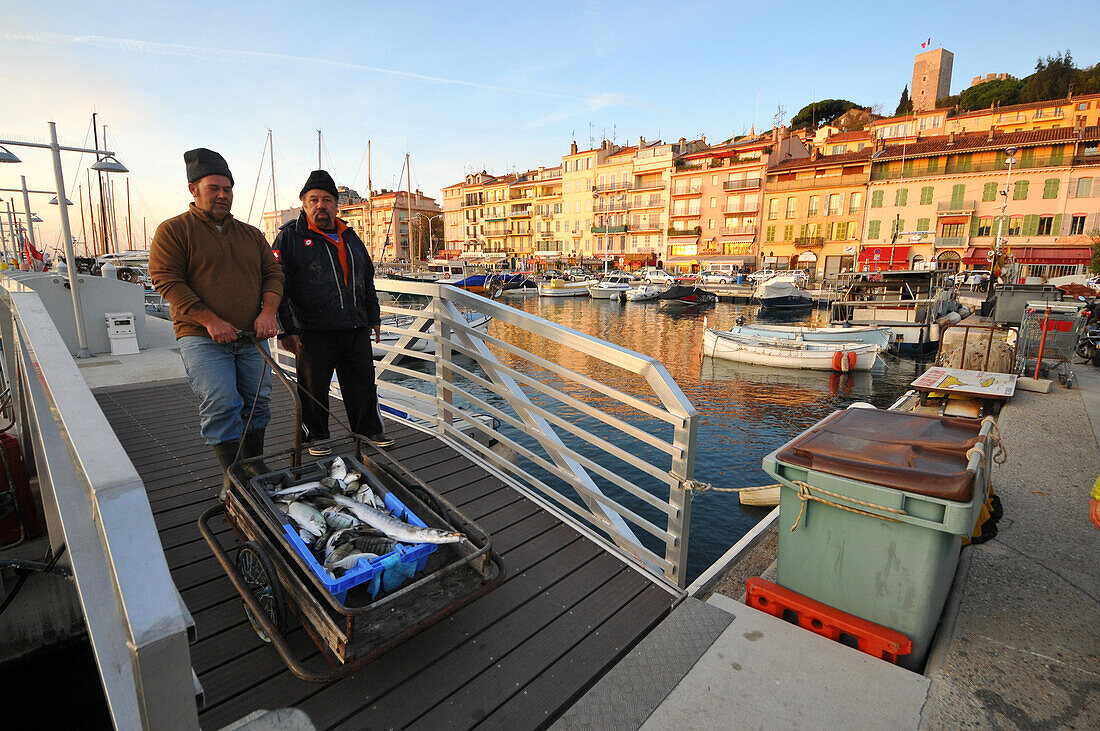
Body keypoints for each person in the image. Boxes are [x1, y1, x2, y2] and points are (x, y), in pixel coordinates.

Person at [149, 148, 284, 496]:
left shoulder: (251, 234)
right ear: (194, 189)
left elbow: (273, 275)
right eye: (214, 188)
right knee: (223, 403)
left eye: (228, 189)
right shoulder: (173, 231)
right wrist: (209, 320)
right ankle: (234, 476)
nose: (223, 195)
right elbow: (167, 279)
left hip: (251, 335)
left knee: (258, 402)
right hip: (201, 336)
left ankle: (253, 465)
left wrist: (268, 312)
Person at [274, 169, 393, 455]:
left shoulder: (350, 237)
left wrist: (373, 317)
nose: (320, 205)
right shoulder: (290, 238)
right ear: (304, 203)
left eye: (327, 199)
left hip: (354, 326)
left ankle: (367, 432)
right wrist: (286, 329)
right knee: (313, 389)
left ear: (336, 205)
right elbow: (277, 285)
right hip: (312, 330)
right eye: (313, 199)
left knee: (362, 385)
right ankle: (315, 437)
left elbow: (366, 279)